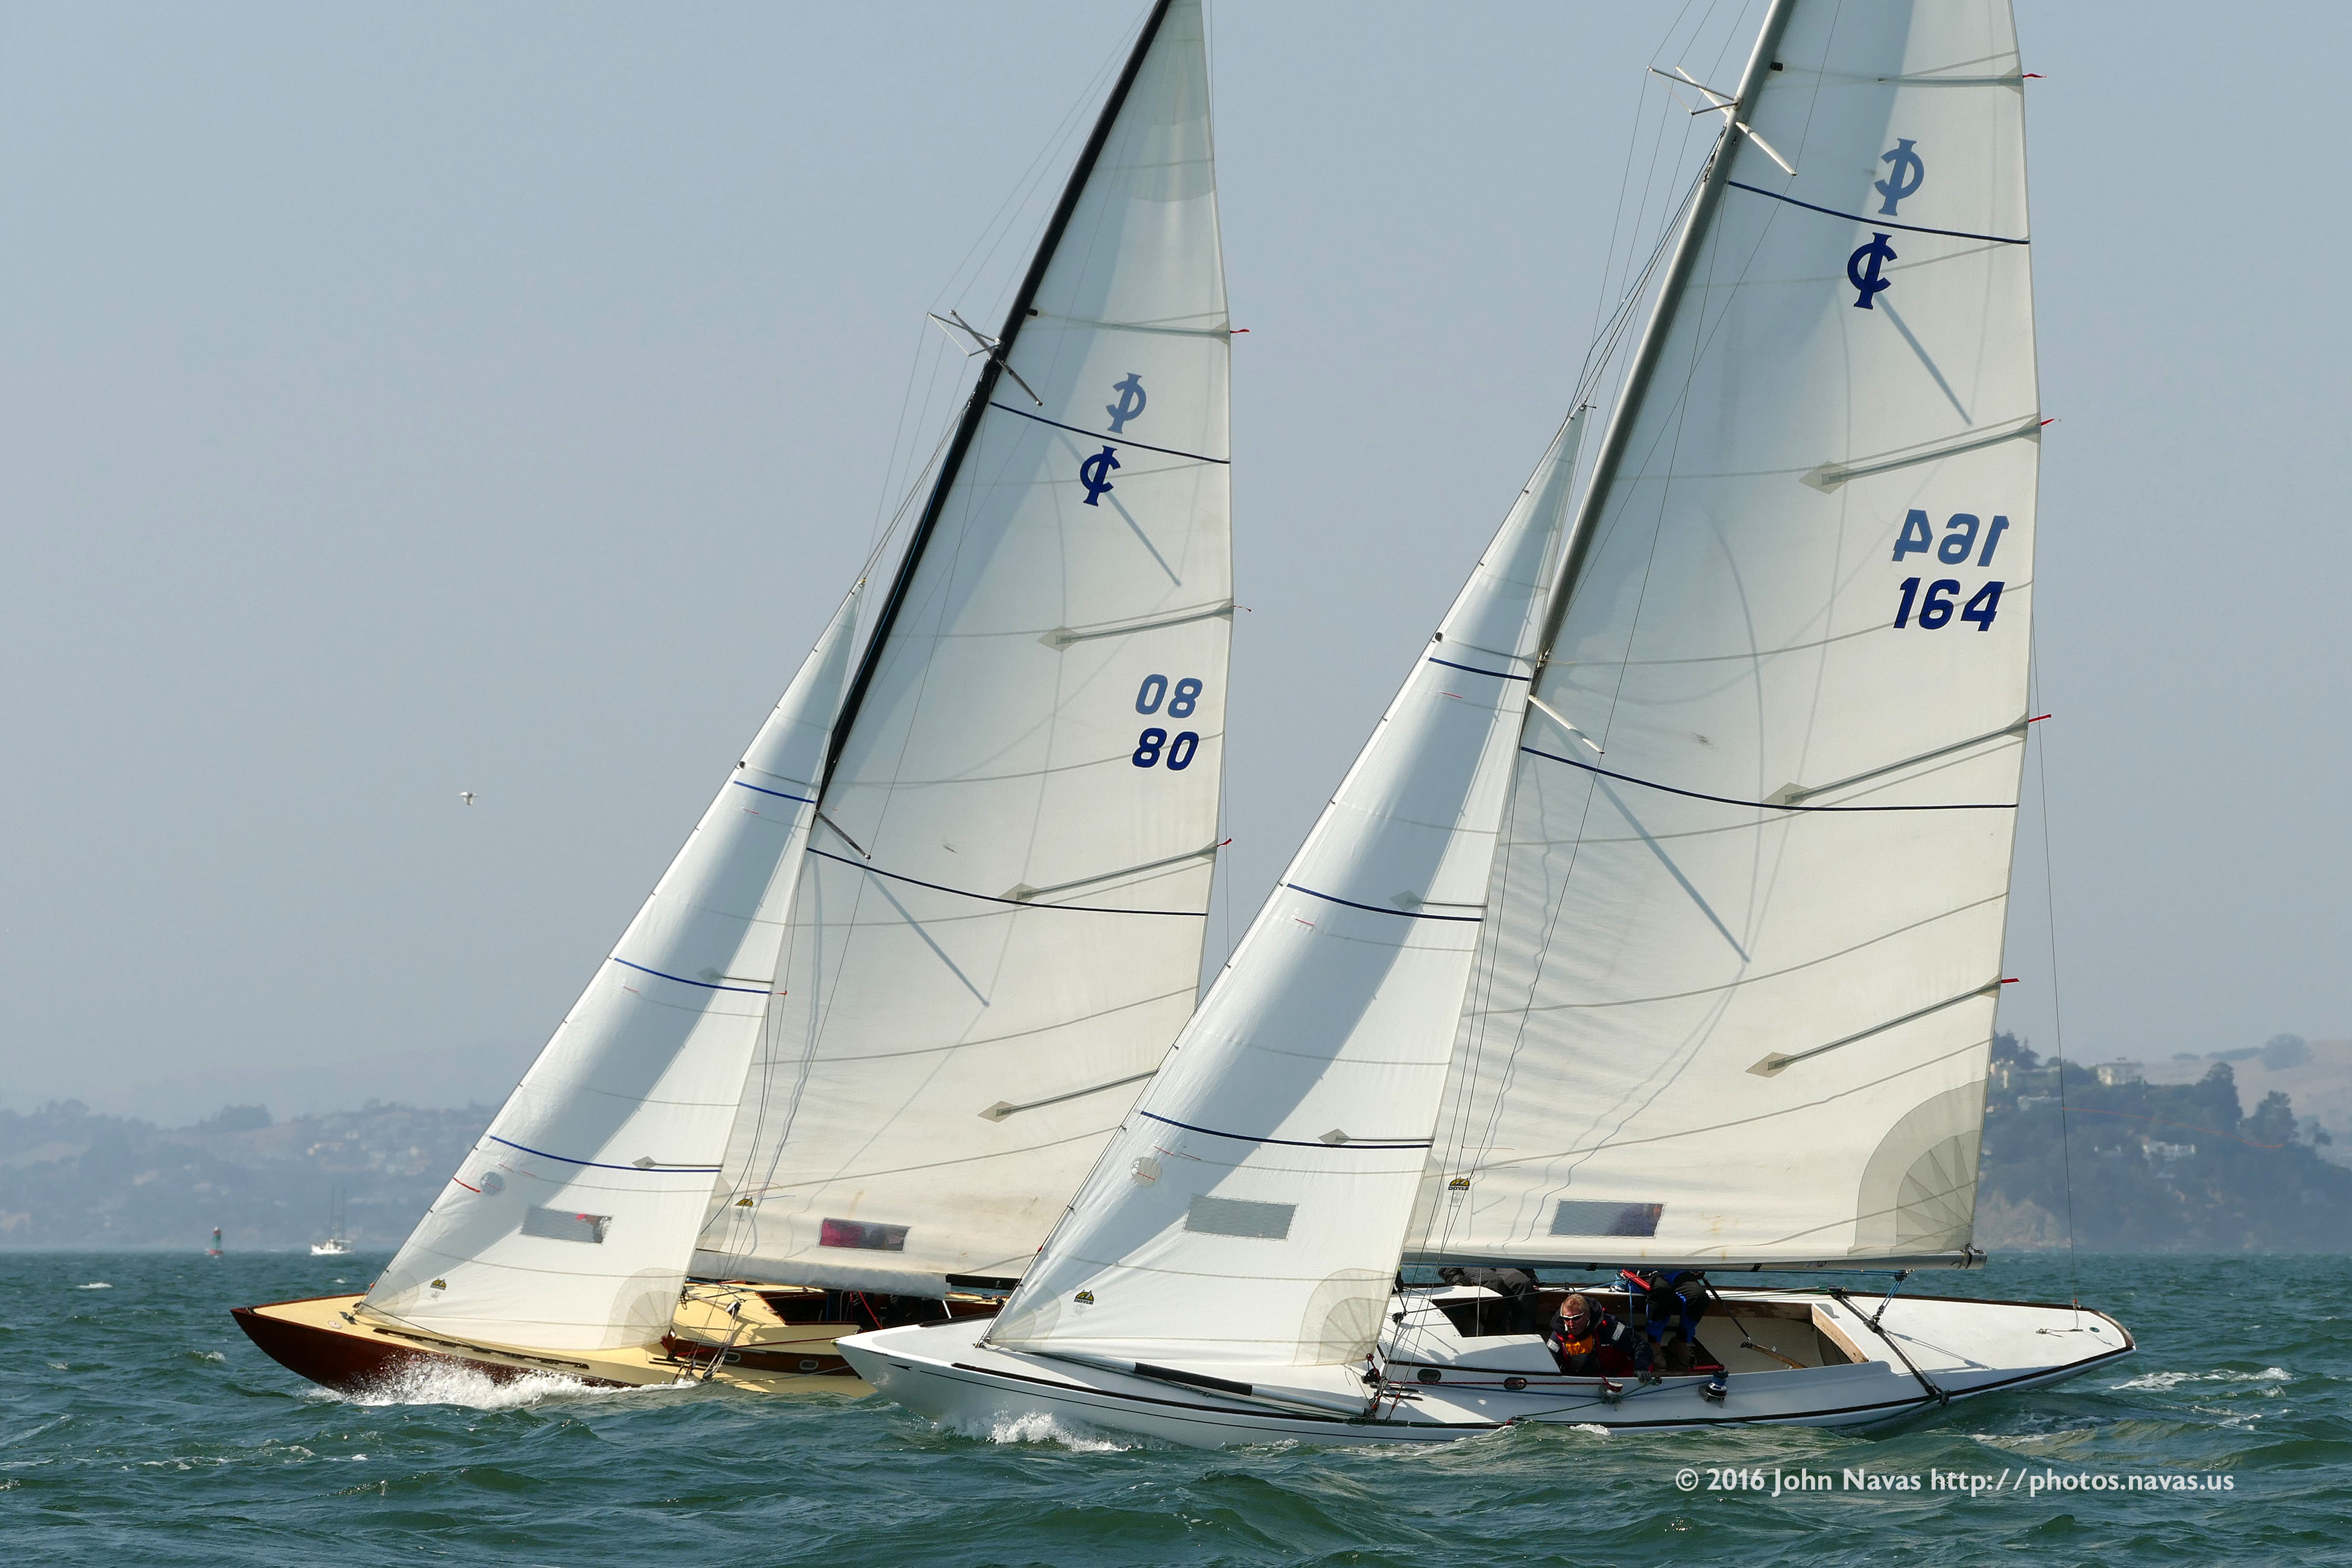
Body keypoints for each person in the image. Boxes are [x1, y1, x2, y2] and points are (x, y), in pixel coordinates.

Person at [1545, 1292, 1654, 1379]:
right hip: (1578, 1382)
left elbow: (1640, 1345)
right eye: (1566, 1319)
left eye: (1576, 1318)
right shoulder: (1559, 1333)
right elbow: (1549, 1360)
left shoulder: (1609, 1326)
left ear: (1587, 1316)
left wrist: (1642, 1367)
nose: (1571, 1324)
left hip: (1616, 1379)